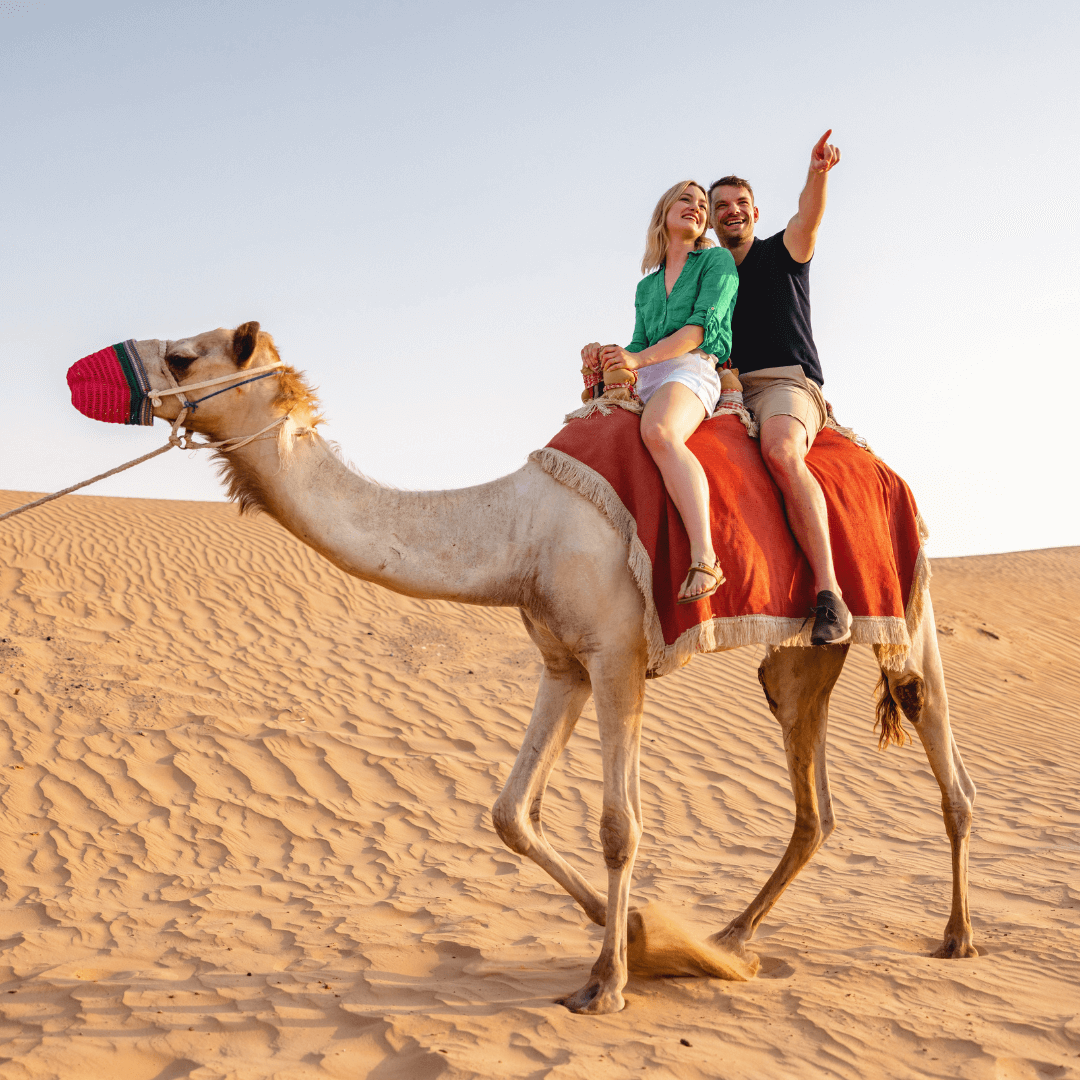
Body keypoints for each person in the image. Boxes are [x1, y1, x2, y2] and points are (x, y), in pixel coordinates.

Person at [708, 130, 850, 644]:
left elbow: (809, 217)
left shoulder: (783, 250)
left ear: (755, 213)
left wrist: (817, 173)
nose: (732, 211)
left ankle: (830, 593)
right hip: (725, 390)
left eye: (740, 203)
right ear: (710, 218)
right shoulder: (710, 280)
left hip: (785, 385)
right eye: (720, 205)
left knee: (781, 451)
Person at [582, 181, 738, 604]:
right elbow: (638, 343)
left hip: (694, 366)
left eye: (703, 204)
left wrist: (637, 360)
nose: (697, 207)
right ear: (664, 213)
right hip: (650, 369)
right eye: (686, 200)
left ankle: (706, 558)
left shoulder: (717, 261)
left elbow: (699, 331)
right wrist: (610, 355)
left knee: (660, 432)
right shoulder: (646, 288)